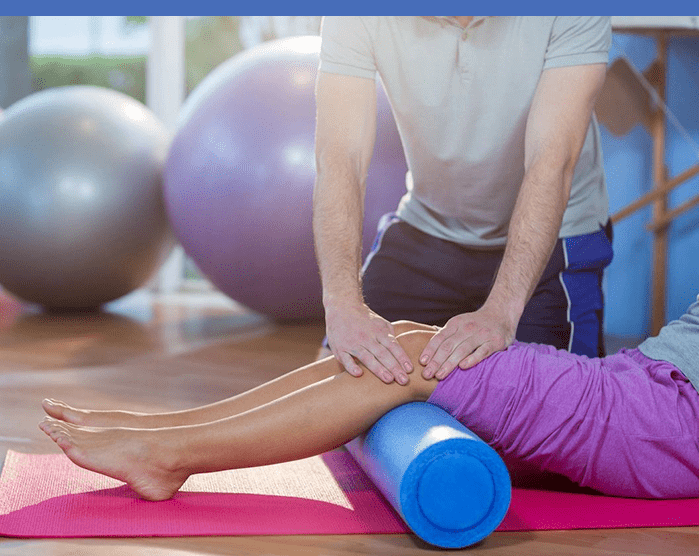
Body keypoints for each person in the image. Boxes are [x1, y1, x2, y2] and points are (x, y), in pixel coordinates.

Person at [40, 295, 699, 501]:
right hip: (642, 377)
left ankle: (167, 453)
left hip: (669, 420)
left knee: (408, 359)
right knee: (404, 339)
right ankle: (165, 430)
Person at [313, 16, 614, 386]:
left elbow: (552, 161)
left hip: (557, 237)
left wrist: (501, 313)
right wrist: (341, 304)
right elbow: (340, 157)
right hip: (430, 225)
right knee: (336, 373)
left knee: (555, 410)